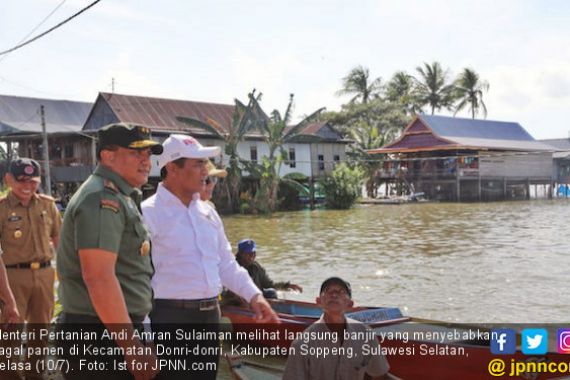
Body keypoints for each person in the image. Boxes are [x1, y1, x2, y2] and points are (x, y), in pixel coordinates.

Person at [141, 134, 279, 380]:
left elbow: (226, 264)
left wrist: (255, 295)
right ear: (172, 168)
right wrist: (145, 337)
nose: (206, 170)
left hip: (209, 317)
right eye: (198, 163)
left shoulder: (208, 214)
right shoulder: (148, 214)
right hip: (169, 319)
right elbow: (136, 281)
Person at [56, 123, 163, 380]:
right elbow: (99, 277)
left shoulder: (121, 196)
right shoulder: (103, 198)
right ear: (108, 156)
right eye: (136, 153)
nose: (146, 161)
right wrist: (131, 348)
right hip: (99, 335)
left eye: (149, 154)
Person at [0, 158, 61, 380]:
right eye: (21, 181)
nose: (27, 186)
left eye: (33, 181)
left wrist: (63, 272)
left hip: (45, 275)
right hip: (12, 276)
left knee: (41, 334)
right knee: (9, 335)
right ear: (8, 179)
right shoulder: (2, 208)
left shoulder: (47, 204)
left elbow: (57, 237)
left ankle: (35, 376)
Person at [283, 277, 394, 380]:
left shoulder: (365, 334)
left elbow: (380, 375)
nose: (334, 295)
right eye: (328, 291)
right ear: (318, 302)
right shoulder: (302, 344)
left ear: (350, 304)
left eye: (341, 292)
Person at [235, 238, 303, 299]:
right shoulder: (233, 268)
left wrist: (287, 286)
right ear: (241, 254)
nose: (252, 255)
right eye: (249, 253)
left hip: (255, 298)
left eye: (254, 252)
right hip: (240, 300)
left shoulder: (256, 267)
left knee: (271, 292)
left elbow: (270, 285)